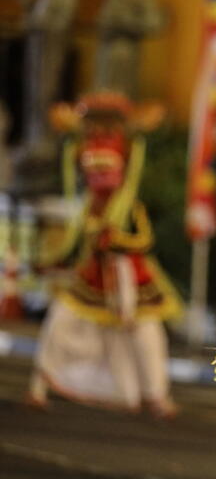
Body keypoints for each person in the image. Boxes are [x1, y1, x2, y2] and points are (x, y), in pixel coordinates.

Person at [27, 92, 182, 416]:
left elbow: (144, 240)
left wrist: (116, 241)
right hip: (92, 276)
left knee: (146, 334)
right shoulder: (87, 204)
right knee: (60, 323)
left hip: (132, 278)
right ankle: (39, 385)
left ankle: (156, 395)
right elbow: (72, 242)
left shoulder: (129, 203)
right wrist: (53, 260)